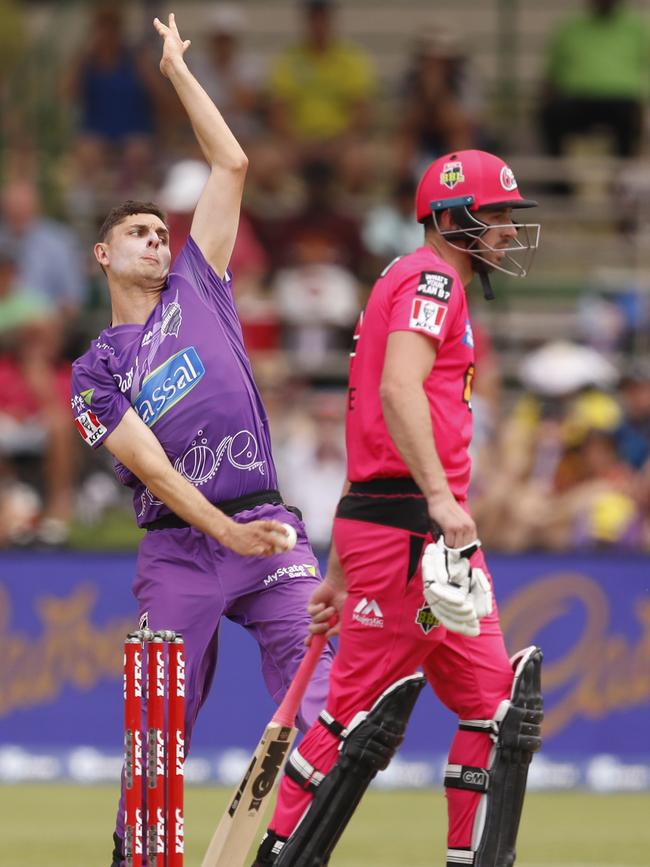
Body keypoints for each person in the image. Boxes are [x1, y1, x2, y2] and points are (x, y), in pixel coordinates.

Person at [67, 16, 332, 867]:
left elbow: (233, 164)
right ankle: (132, 856)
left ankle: (289, 835)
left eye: (161, 230)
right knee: (157, 730)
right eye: (138, 232)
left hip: (268, 524)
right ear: (102, 254)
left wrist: (178, 71)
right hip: (182, 548)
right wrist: (224, 535)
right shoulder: (95, 369)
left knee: (323, 682)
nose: (156, 239)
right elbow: (149, 463)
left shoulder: (201, 286)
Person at [252, 150, 544, 867]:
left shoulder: (425, 280)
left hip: (411, 530)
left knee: (500, 710)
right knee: (355, 720)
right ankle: (278, 854)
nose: (507, 229)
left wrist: (343, 568)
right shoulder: (431, 279)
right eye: (495, 214)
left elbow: (377, 417)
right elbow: (396, 391)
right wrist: (440, 497)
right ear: (450, 218)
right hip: (409, 527)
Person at [539, 0, 650, 160]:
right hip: (577, 100)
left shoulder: (636, 29)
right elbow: (552, 72)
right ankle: (559, 182)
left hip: (622, 101)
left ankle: (624, 177)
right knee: (552, 114)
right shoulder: (571, 28)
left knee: (630, 119)